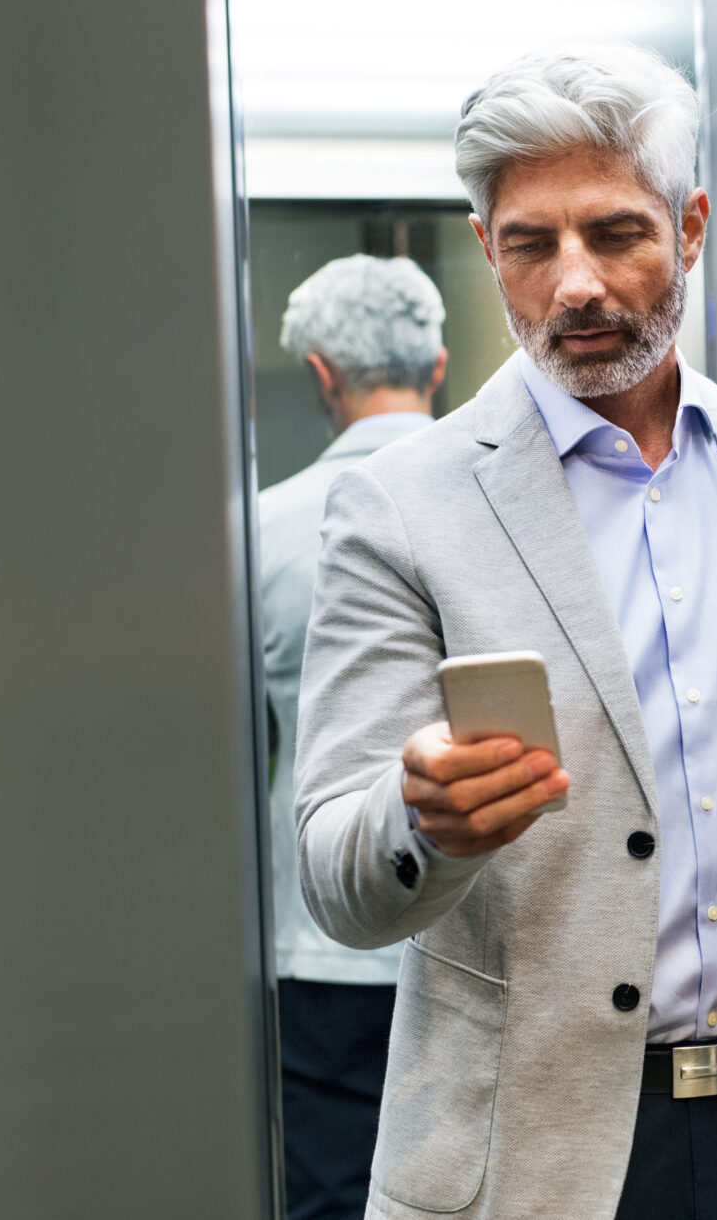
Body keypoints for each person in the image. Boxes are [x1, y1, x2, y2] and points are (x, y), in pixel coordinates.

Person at [291, 44, 717, 1220]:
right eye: (528, 244)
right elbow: (339, 873)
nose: (574, 284)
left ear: (689, 227)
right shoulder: (401, 506)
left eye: (614, 233)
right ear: (486, 247)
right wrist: (423, 822)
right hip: (528, 1161)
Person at [260, 255, 450, 1219]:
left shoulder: (259, 533)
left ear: (323, 375)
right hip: (481, 941)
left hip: (324, 954)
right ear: (441, 364)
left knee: (333, 1193)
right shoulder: (509, 516)